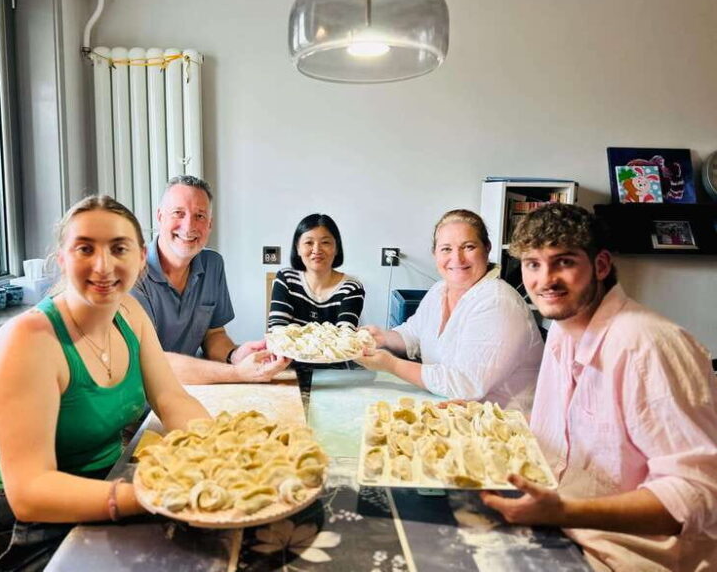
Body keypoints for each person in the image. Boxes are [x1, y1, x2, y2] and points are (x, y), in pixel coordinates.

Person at [0, 196, 211, 570]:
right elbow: (30, 494)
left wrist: (218, 452)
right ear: (62, 259)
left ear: (140, 258)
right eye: (85, 248)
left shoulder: (130, 314)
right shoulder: (28, 341)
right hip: (5, 529)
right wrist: (152, 497)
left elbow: (171, 398)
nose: (103, 265)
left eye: (119, 248)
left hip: (95, 492)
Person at [481, 203, 717, 570]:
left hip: (626, 558)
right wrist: (479, 420)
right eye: (533, 264)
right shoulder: (562, 331)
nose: (545, 280)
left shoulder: (648, 346)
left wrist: (563, 511)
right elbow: (563, 438)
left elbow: (698, 493)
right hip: (564, 532)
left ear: (601, 265)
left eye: (564, 262)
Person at [356, 209, 543, 412]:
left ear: (487, 248)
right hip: (453, 412)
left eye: (468, 247)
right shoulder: (439, 290)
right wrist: (381, 337)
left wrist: (392, 365)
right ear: (435, 254)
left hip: (504, 423)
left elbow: (465, 384)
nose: (457, 258)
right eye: (446, 249)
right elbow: (413, 334)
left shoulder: (498, 302)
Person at [131, 175, 289, 384]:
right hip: (140, 397)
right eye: (178, 213)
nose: (189, 226)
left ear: (210, 224)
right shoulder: (132, 271)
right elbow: (149, 362)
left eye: (199, 216)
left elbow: (213, 334)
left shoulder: (213, 264)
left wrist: (234, 355)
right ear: (160, 216)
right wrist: (238, 373)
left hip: (195, 386)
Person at [267, 213, 365, 330]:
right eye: (309, 243)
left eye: (325, 242)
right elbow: (277, 330)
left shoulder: (352, 288)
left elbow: (345, 335)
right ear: (298, 248)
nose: (317, 250)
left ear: (336, 248)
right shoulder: (286, 279)